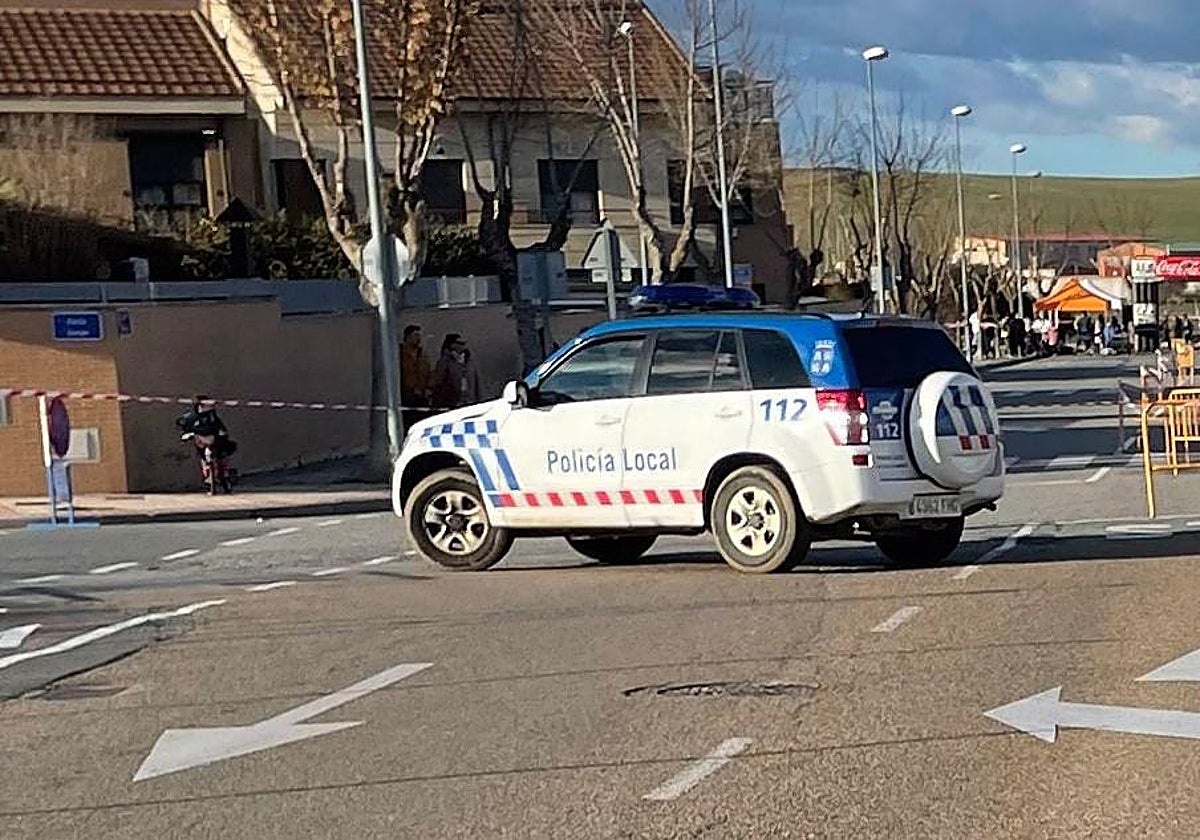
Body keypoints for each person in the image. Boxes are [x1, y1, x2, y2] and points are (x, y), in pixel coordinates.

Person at [175, 395, 236, 459]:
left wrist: (222, 434)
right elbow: (183, 423)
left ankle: (218, 458)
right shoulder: (192, 416)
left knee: (227, 447)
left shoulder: (211, 416)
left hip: (212, 438)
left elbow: (220, 428)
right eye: (206, 405)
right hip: (201, 437)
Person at [401, 324, 432, 429]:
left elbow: (429, 372)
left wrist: (428, 388)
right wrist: (411, 389)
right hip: (406, 397)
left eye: (419, 336)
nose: (418, 339)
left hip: (422, 396)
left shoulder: (423, 354)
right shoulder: (400, 354)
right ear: (407, 337)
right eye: (415, 336)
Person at [432, 333, 471, 410]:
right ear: (452, 345)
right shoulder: (444, 361)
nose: (462, 346)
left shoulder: (469, 361)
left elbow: (477, 381)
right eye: (459, 343)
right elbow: (439, 381)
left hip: (468, 400)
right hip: (450, 402)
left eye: (463, 344)